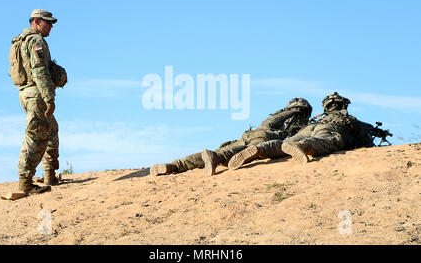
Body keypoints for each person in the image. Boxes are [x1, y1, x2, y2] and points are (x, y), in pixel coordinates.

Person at [150, 98, 312, 176]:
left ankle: (174, 165)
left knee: (229, 148)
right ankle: (217, 157)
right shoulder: (299, 117)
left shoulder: (281, 113)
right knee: (236, 151)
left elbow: (267, 122)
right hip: (265, 137)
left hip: (251, 132)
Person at [228, 92, 376, 170]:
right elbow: (366, 142)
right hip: (329, 129)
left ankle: (260, 149)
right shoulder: (349, 118)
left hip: (308, 129)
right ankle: (302, 146)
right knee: (328, 141)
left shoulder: (312, 117)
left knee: (281, 145)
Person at [10, 9, 67, 194]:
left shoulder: (19, 41)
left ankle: (50, 174)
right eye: (48, 22)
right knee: (35, 136)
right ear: (36, 22)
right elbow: (39, 69)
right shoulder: (36, 41)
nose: (51, 26)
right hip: (36, 94)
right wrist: (49, 97)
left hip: (25, 93)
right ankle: (25, 182)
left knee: (51, 128)